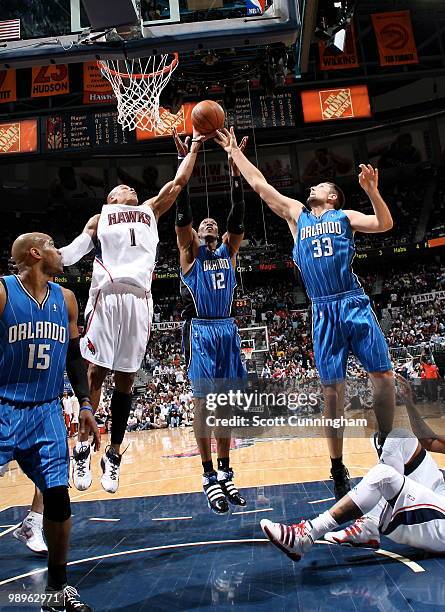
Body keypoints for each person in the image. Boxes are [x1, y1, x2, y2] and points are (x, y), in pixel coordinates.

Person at [215, 127, 395, 500]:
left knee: (384, 376)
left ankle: (385, 441)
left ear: (331, 196)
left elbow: (384, 224)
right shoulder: (297, 216)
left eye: (322, 186)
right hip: (323, 310)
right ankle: (337, 465)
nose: (312, 187)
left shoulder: (344, 215)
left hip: (353, 302)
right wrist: (235, 153)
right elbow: (262, 186)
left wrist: (373, 192)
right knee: (332, 392)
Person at [60, 130, 203, 494]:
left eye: (131, 189)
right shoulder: (101, 218)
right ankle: (81, 447)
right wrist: (42, 256)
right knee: (95, 373)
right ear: (111, 198)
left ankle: (113, 454)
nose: (130, 189)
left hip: (139, 300)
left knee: (125, 378)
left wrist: (195, 149)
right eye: (123, 188)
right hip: (107, 298)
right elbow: (70, 255)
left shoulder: (149, 209)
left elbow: (179, 182)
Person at [0, 232, 99, 611]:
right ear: (35, 253)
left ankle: (57, 591)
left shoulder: (67, 299)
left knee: (58, 500)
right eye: (55, 246)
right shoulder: (4, 292)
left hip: (46, 411)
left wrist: (86, 403)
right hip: (4, 404)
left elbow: (74, 358)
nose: (62, 253)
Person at [260, 377, 445, 559]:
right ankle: (369, 525)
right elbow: (429, 441)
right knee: (399, 438)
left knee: (384, 476)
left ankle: (305, 536)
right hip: (438, 497)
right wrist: (409, 403)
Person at [174, 129, 248, 514]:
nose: (207, 224)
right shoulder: (189, 254)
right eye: (202, 225)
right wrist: (190, 158)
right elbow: (182, 214)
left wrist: (234, 170)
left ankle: (225, 472)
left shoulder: (229, 253)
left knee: (225, 406)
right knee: (204, 404)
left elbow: (238, 216)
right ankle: (207, 476)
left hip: (228, 329)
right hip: (201, 330)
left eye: (211, 224)